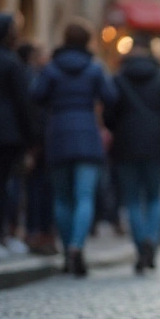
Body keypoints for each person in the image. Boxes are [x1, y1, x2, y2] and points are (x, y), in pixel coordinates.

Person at [32, 21, 117, 277]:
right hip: (87, 134)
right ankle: (76, 246)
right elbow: (111, 96)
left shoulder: (51, 68)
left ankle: (66, 246)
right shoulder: (94, 68)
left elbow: (36, 95)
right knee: (84, 196)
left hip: (58, 133)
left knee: (62, 197)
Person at [104, 34, 160, 274]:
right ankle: (152, 239)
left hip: (126, 145)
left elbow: (108, 116)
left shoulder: (118, 78)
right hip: (156, 145)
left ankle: (141, 244)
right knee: (154, 196)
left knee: (131, 199)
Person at [0, 13, 33, 255]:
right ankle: (1, 233)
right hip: (9, 132)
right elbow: (23, 101)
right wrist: (31, 136)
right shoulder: (12, 63)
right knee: (5, 185)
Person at [17, 41, 56, 255]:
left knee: (39, 188)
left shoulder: (40, 78)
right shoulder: (38, 78)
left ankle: (39, 231)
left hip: (44, 139)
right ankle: (37, 231)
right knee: (38, 188)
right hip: (42, 140)